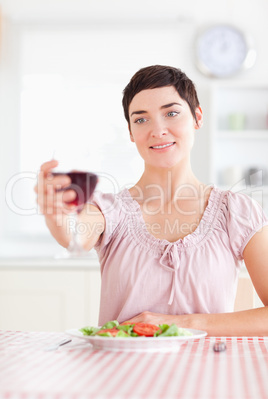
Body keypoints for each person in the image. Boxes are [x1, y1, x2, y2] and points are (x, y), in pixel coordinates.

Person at [35, 65, 268, 336]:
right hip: (121, 374)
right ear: (131, 133)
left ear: (197, 117)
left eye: (171, 113)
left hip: (207, 375)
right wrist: (54, 211)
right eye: (141, 119)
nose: (158, 130)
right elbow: (73, 235)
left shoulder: (236, 212)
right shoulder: (111, 210)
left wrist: (181, 324)